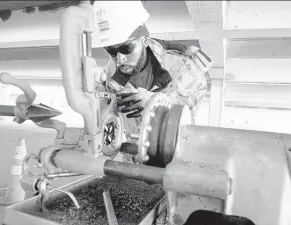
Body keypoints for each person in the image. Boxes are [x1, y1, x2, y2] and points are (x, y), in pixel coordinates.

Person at [91, 1, 213, 164]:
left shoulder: (185, 67)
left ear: (144, 39)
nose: (120, 59)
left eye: (126, 49)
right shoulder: (107, 77)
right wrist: (106, 113)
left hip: (172, 163)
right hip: (129, 166)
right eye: (111, 51)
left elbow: (186, 122)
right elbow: (99, 127)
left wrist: (153, 103)